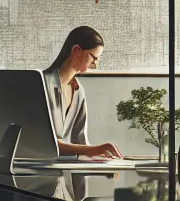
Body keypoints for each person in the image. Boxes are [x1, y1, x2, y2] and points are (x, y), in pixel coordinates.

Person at [43, 25, 122, 159]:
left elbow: (81, 142)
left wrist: (101, 158)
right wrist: (97, 149)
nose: (95, 65)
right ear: (77, 51)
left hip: (68, 173)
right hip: (40, 171)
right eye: (93, 57)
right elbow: (45, 144)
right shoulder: (42, 84)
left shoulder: (79, 92)